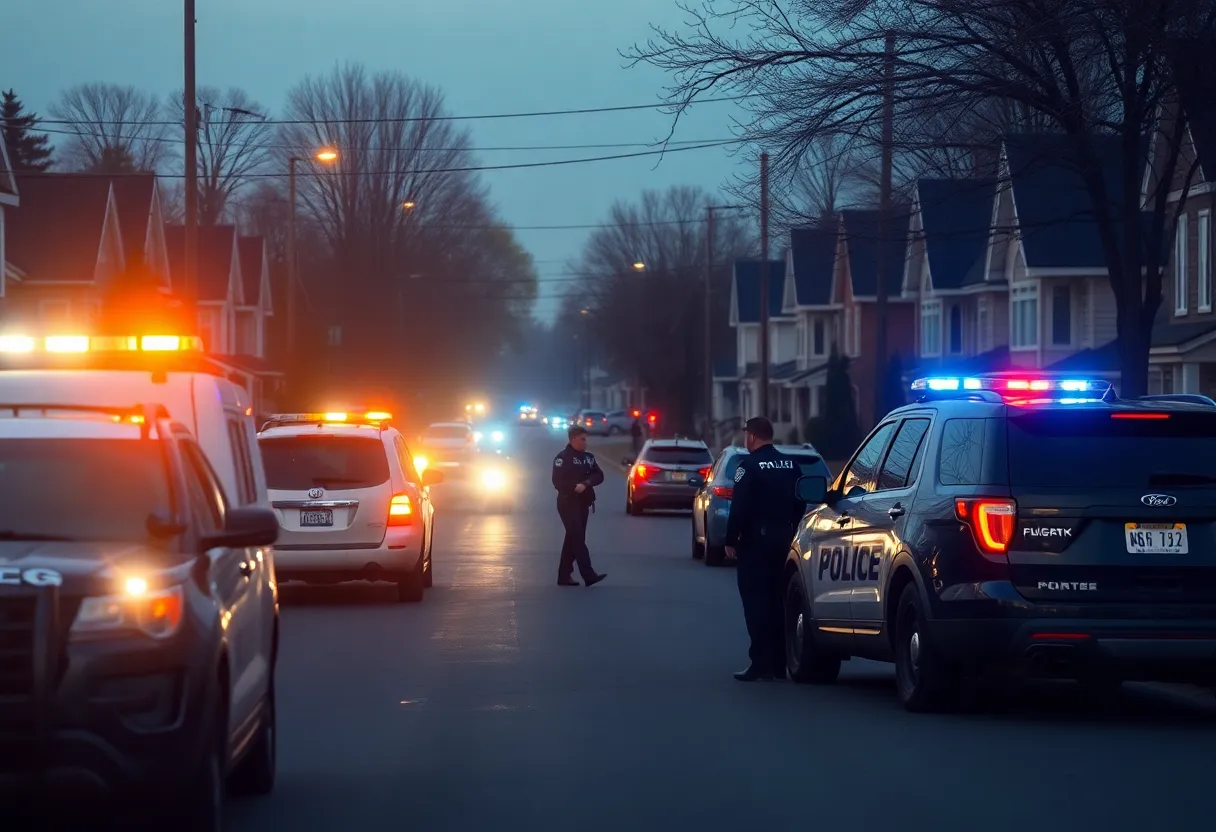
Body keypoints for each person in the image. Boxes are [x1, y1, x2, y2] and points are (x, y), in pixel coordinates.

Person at [724, 417, 806, 681]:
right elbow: (800, 499)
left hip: (755, 543)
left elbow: (739, 507)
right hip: (784, 539)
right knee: (778, 601)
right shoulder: (791, 464)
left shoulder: (747, 465)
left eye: (747, 434)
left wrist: (730, 538)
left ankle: (760, 662)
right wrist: (791, 526)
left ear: (752, 436)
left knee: (756, 602)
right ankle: (781, 662)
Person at [552, 425, 608, 587]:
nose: (585, 443)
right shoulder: (562, 458)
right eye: (582, 439)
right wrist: (573, 488)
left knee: (573, 538)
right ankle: (588, 574)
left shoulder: (588, 458)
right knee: (577, 536)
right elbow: (557, 481)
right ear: (572, 439)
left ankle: (564, 575)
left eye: (586, 439)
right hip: (568, 501)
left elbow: (599, 475)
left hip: (583, 502)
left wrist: (586, 483)